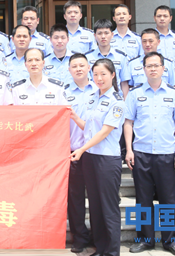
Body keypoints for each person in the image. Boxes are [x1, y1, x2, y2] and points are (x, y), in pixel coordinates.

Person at [124, 52, 175, 256]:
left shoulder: (174, 94)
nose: (152, 69)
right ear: (143, 69)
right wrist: (129, 150)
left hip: (166, 154)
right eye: (149, 66)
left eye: (156, 65)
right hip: (141, 154)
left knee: (169, 200)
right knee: (143, 200)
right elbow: (128, 122)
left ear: (163, 68)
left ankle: (170, 242)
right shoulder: (134, 94)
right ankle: (145, 240)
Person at [70, 59, 125, 256]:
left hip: (106, 160)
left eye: (103, 74)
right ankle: (100, 248)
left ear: (112, 75)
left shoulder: (117, 101)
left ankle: (112, 251)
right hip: (90, 158)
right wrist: (74, 117)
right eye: (95, 74)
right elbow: (89, 128)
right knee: (95, 206)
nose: (99, 78)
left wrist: (81, 149)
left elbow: (104, 132)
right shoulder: (93, 98)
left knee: (108, 208)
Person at [64, 53, 96, 253]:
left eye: (81, 65)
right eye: (74, 66)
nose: (78, 69)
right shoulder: (63, 93)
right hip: (73, 151)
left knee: (96, 197)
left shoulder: (99, 91)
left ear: (88, 67)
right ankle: (80, 238)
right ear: (69, 70)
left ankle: (98, 235)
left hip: (96, 152)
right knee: (75, 199)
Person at [85, 19, 131, 97]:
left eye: (106, 33)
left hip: (116, 99)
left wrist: (124, 101)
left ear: (112, 35)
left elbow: (124, 83)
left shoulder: (121, 57)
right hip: (94, 98)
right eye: (100, 33)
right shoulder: (88, 57)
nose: (103, 36)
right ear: (95, 36)